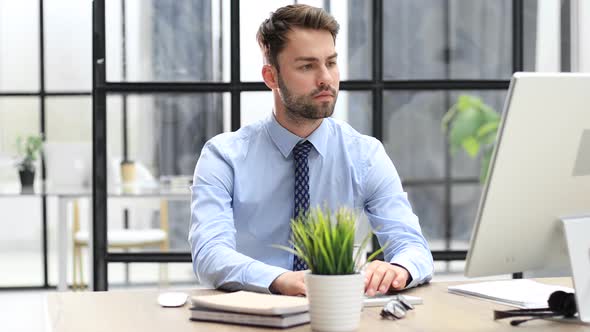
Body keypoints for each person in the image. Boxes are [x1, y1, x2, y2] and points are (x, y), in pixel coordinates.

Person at [189, 4, 433, 296]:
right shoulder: (223, 156)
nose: (326, 79)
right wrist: (281, 280)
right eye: (307, 66)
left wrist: (399, 269)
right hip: (255, 313)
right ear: (271, 77)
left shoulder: (365, 155)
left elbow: (413, 247)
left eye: (330, 63)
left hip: (340, 313)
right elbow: (209, 253)